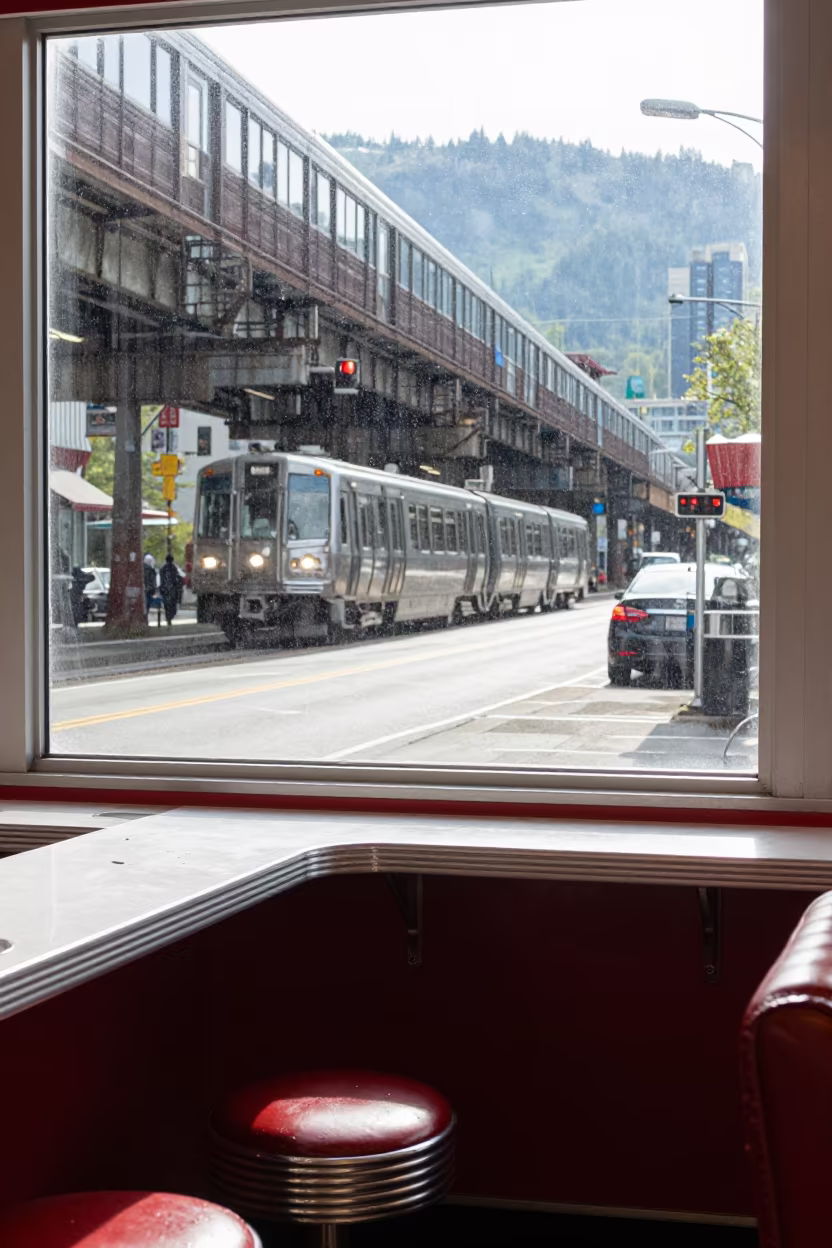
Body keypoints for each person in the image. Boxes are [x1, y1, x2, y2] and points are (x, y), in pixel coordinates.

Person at [159, 553, 184, 627]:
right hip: (172, 589)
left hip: (166, 589)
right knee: (172, 604)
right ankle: (170, 616)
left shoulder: (163, 568)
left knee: (167, 605)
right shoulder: (174, 568)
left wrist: (163, 587)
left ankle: (168, 617)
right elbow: (176, 579)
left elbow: (162, 579)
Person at [143, 554, 157, 619]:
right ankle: (145, 616)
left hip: (147, 589)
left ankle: (145, 616)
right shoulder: (150, 569)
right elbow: (153, 581)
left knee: (147, 604)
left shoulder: (149, 569)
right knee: (147, 604)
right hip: (148, 589)